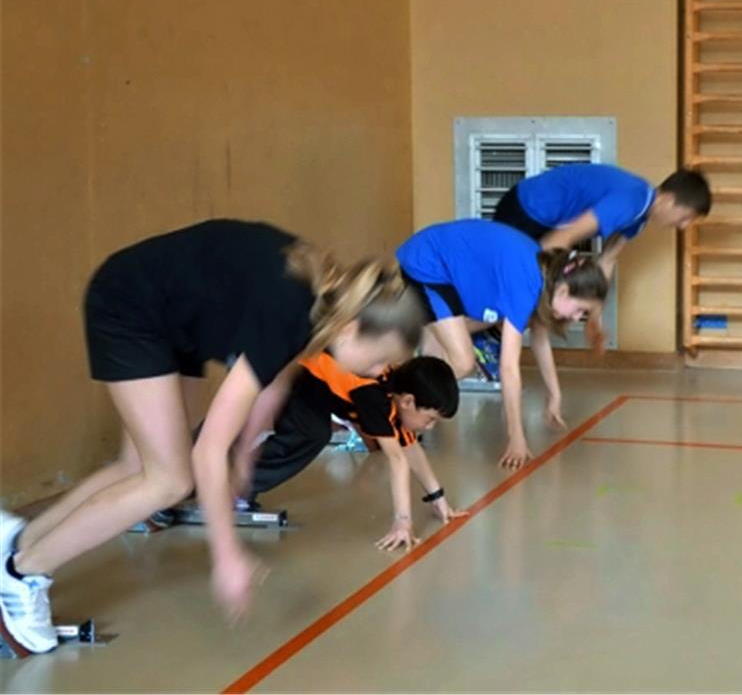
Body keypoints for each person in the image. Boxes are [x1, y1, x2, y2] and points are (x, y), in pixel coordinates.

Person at [0, 219, 425, 654]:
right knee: (169, 481)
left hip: (171, 321)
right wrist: (227, 556)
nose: (380, 373)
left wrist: (244, 459)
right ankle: (22, 573)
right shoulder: (288, 312)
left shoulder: (321, 300)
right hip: (130, 306)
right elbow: (208, 453)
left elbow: (273, 381)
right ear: (351, 330)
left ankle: (18, 542)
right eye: (381, 360)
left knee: (138, 467)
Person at [395, 219, 608, 470]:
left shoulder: (543, 275)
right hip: (426, 263)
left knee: (477, 332)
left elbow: (540, 338)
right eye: (580, 310)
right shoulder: (527, 284)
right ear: (562, 290)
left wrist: (555, 395)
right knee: (462, 363)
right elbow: (508, 367)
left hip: (444, 268)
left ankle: (419, 357)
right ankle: (395, 400)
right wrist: (516, 437)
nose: (576, 318)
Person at [242, 354, 465, 551]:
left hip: (313, 388)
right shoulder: (375, 396)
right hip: (298, 375)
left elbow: (411, 449)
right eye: (430, 419)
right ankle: (235, 484)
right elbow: (397, 459)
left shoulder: (396, 393)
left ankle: (238, 480)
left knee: (314, 433)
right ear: (408, 401)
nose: (429, 427)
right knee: (309, 434)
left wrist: (438, 498)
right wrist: (403, 522)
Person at [492, 164, 711, 280]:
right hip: (524, 210)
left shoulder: (640, 214)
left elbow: (608, 259)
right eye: (685, 217)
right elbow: (560, 239)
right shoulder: (631, 202)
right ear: (668, 200)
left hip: (544, 221)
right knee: (518, 284)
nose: (684, 226)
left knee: (533, 288)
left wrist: (595, 317)